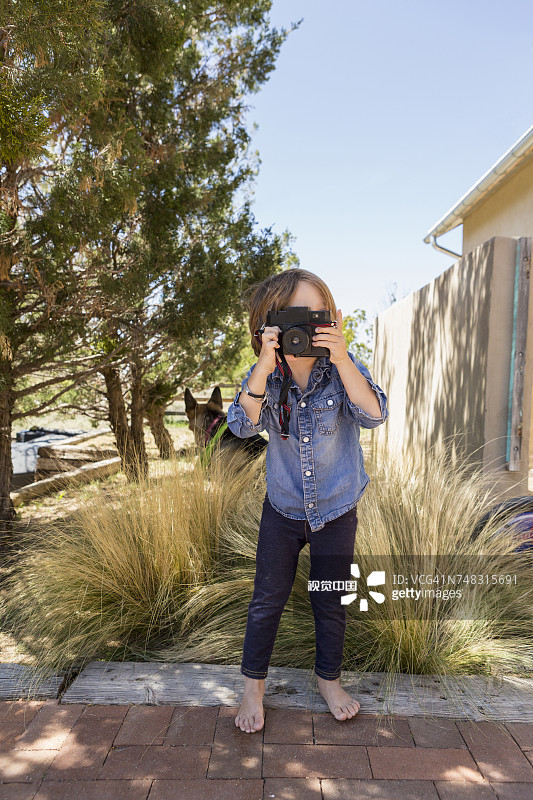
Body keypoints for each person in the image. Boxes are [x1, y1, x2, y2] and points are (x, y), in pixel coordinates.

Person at [226, 268, 389, 733]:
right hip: (282, 509)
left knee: (330, 600)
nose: (306, 327)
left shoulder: (342, 371)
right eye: (295, 316)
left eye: (318, 315)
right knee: (266, 600)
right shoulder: (266, 377)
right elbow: (241, 426)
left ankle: (329, 681)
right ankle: (253, 688)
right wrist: (263, 362)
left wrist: (342, 360)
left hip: (336, 509)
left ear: (333, 319)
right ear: (268, 323)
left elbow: (375, 414)